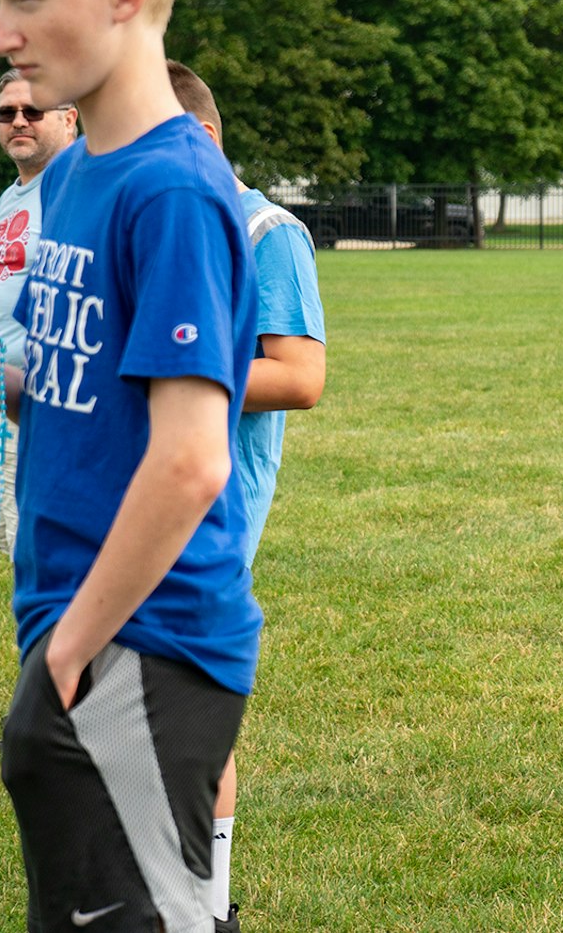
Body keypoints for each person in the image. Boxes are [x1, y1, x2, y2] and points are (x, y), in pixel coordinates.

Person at [0, 0, 259, 931]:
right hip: (77, 627)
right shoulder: (70, 178)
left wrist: (74, 650)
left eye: (23, 0)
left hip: (143, 642)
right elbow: (91, 410)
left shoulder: (170, 186)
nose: (0, 38)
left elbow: (192, 456)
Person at [168, 58, 327, 927]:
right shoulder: (165, 224)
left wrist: (170, 354)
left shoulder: (269, 233)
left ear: (199, 135)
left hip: (213, 505)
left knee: (187, 710)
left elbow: (301, 377)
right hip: (134, 489)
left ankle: (209, 907)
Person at [0, 69, 78, 556]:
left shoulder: (75, 185)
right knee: (12, 542)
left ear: (69, 119)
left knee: (41, 553)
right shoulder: (12, 194)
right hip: (8, 396)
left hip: (53, 400)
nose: (18, 121)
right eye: (7, 113)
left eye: (33, 111)